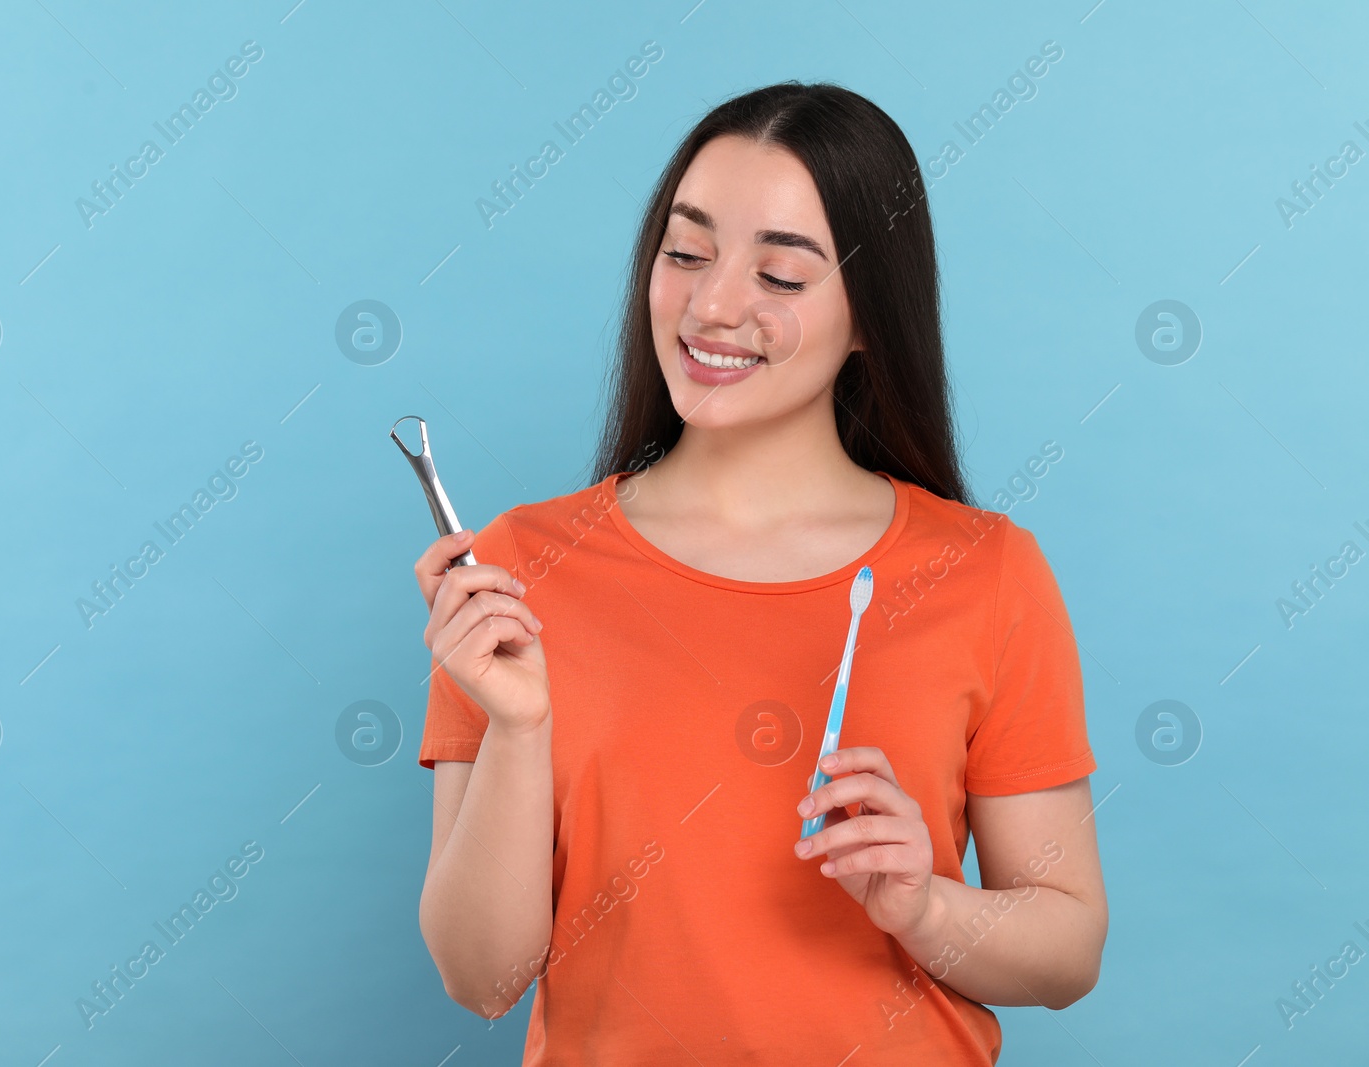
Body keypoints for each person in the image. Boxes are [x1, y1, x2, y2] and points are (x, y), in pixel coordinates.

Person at [412, 81, 1106, 1064]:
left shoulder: (986, 571)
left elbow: (1068, 951)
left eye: (779, 275)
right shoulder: (519, 571)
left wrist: (924, 904)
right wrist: (520, 727)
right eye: (685, 253)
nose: (712, 303)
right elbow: (480, 979)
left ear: (872, 315)